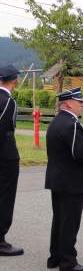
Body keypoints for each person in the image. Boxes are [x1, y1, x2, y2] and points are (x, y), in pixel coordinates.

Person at [45, 88, 83, 271]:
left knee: (60, 219)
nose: (82, 105)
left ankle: (55, 256)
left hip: (58, 179)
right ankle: (68, 262)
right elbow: (80, 154)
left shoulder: (56, 121)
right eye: (79, 102)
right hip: (71, 181)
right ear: (68, 103)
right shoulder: (71, 124)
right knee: (70, 222)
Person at [0, 65, 23, 256]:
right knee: (5, 196)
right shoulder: (8, 102)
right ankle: (0, 240)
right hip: (5, 154)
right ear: (14, 80)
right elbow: (6, 127)